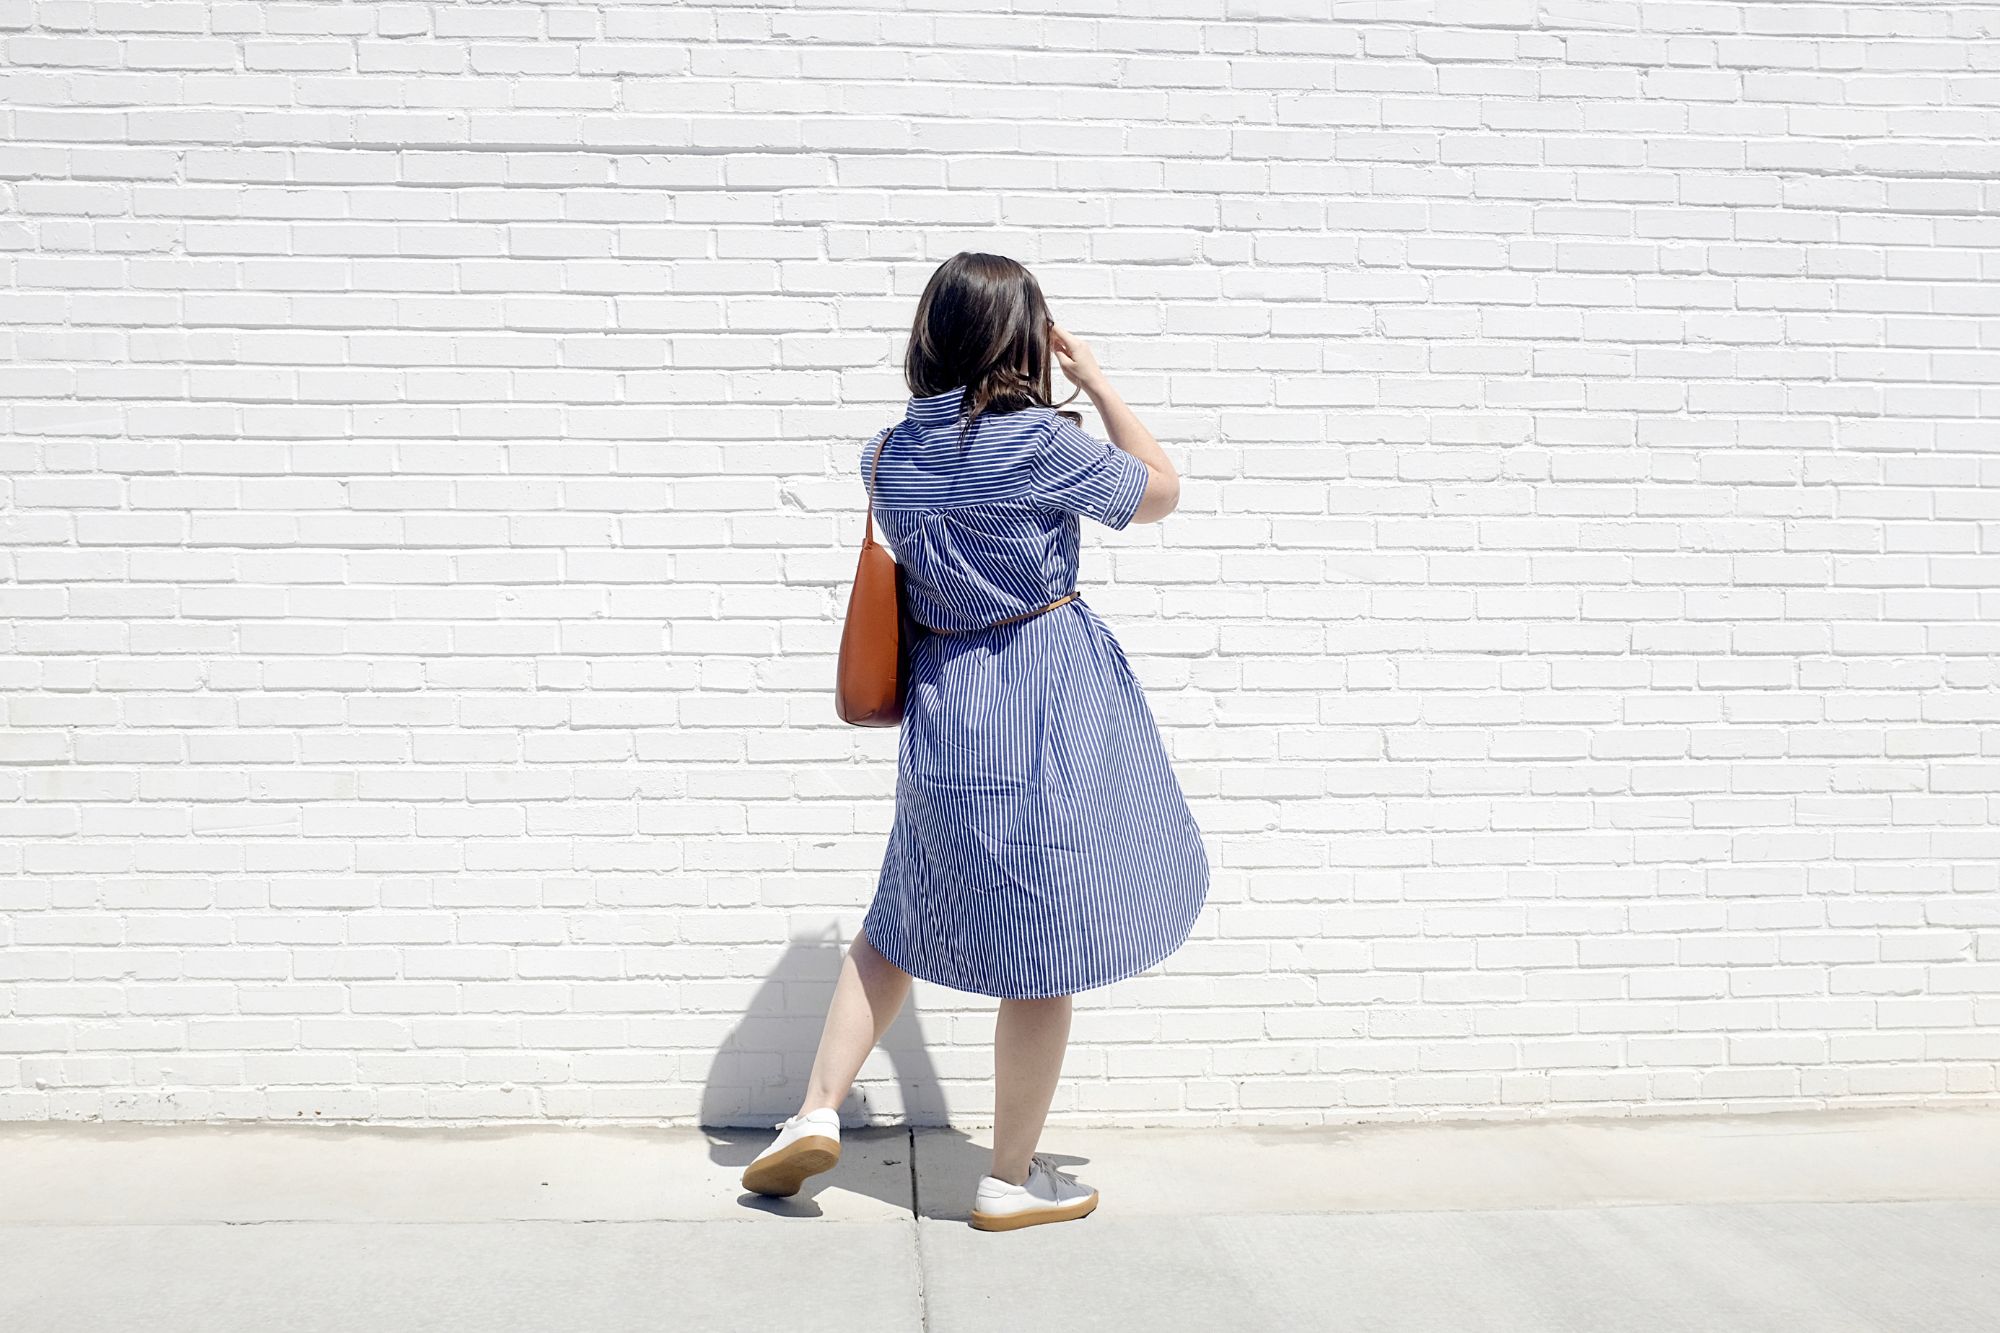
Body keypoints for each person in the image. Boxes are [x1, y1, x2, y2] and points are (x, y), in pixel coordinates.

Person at [741, 252, 1210, 1230]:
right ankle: (1007, 1176)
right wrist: (1092, 379)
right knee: (1043, 955)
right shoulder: (1040, 444)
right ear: (1019, 336)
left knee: (895, 921)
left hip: (942, 710)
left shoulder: (887, 454)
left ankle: (812, 1111)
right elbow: (1160, 490)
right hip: (1039, 706)